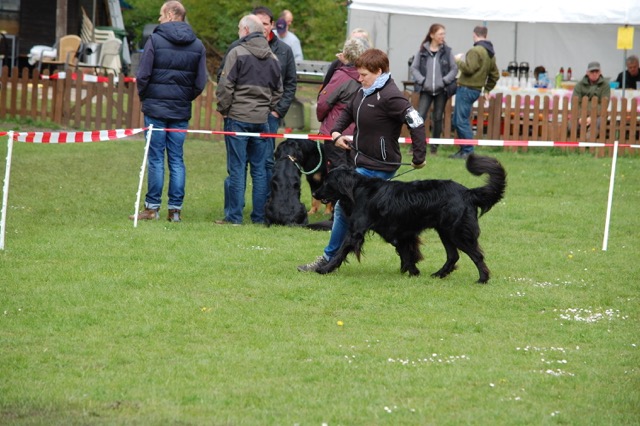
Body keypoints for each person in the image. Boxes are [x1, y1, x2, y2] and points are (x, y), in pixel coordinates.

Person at [297, 49, 427, 273]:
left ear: (378, 71)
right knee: (379, 219)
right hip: (360, 163)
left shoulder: (391, 96)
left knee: (345, 211)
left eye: (364, 74)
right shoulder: (364, 91)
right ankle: (408, 253)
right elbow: (347, 112)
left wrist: (419, 157)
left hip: (380, 167)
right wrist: (336, 133)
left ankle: (329, 259)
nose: (360, 78)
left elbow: (415, 122)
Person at [130, 0, 207, 223]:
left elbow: (143, 75)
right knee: (176, 159)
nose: (159, 19)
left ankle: (152, 208)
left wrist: (146, 96)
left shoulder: (154, 39)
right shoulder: (198, 45)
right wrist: (184, 98)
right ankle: (175, 211)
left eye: (161, 15)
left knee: (155, 158)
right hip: (180, 110)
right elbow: (200, 82)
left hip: (155, 108)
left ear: (172, 15)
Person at [215, 15, 282, 225]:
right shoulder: (273, 57)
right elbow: (278, 90)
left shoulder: (237, 52)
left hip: (237, 118)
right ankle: (259, 217)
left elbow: (225, 86)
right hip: (261, 120)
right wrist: (266, 107)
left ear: (245, 29)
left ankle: (234, 217)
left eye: (238, 28)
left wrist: (224, 109)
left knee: (237, 168)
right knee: (260, 170)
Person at [251, 6, 297, 192]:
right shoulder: (239, 47)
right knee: (239, 165)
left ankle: (267, 205)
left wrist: (278, 110)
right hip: (243, 113)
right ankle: (234, 212)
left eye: (265, 23)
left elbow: (291, 83)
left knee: (267, 161)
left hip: (270, 114)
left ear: (272, 25)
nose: (261, 27)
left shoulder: (285, 50)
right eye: (257, 23)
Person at [317, 37, 369, 170]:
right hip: (358, 133)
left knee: (337, 174)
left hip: (336, 132)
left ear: (345, 53)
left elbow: (323, 102)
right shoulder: (369, 76)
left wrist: (322, 118)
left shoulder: (341, 75)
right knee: (355, 173)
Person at [451, 25, 499, 159]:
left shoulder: (475, 51)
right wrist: (488, 88)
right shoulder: (490, 53)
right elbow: (495, 75)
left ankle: (468, 151)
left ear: (474, 34)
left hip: (466, 88)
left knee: (461, 121)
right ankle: (464, 149)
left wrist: (458, 61)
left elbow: (469, 69)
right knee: (459, 119)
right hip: (476, 90)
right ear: (486, 35)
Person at [410, 23, 458, 155]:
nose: (443, 36)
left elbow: (454, 69)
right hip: (426, 90)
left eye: (444, 34)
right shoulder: (422, 51)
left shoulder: (447, 51)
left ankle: (434, 148)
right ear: (432, 35)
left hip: (441, 91)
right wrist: (422, 81)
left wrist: (444, 81)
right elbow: (414, 68)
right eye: (440, 34)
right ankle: (415, 146)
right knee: (419, 117)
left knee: (437, 118)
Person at [572, 61, 611, 129]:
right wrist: (581, 117)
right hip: (581, 115)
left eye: (596, 71)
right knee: (570, 126)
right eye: (592, 72)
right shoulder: (579, 85)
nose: (594, 74)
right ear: (587, 72)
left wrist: (592, 117)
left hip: (599, 115)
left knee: (595, 126)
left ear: (600, 72)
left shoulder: (605, 85)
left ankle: (587, 139)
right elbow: (575, 103)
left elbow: (604, 104)